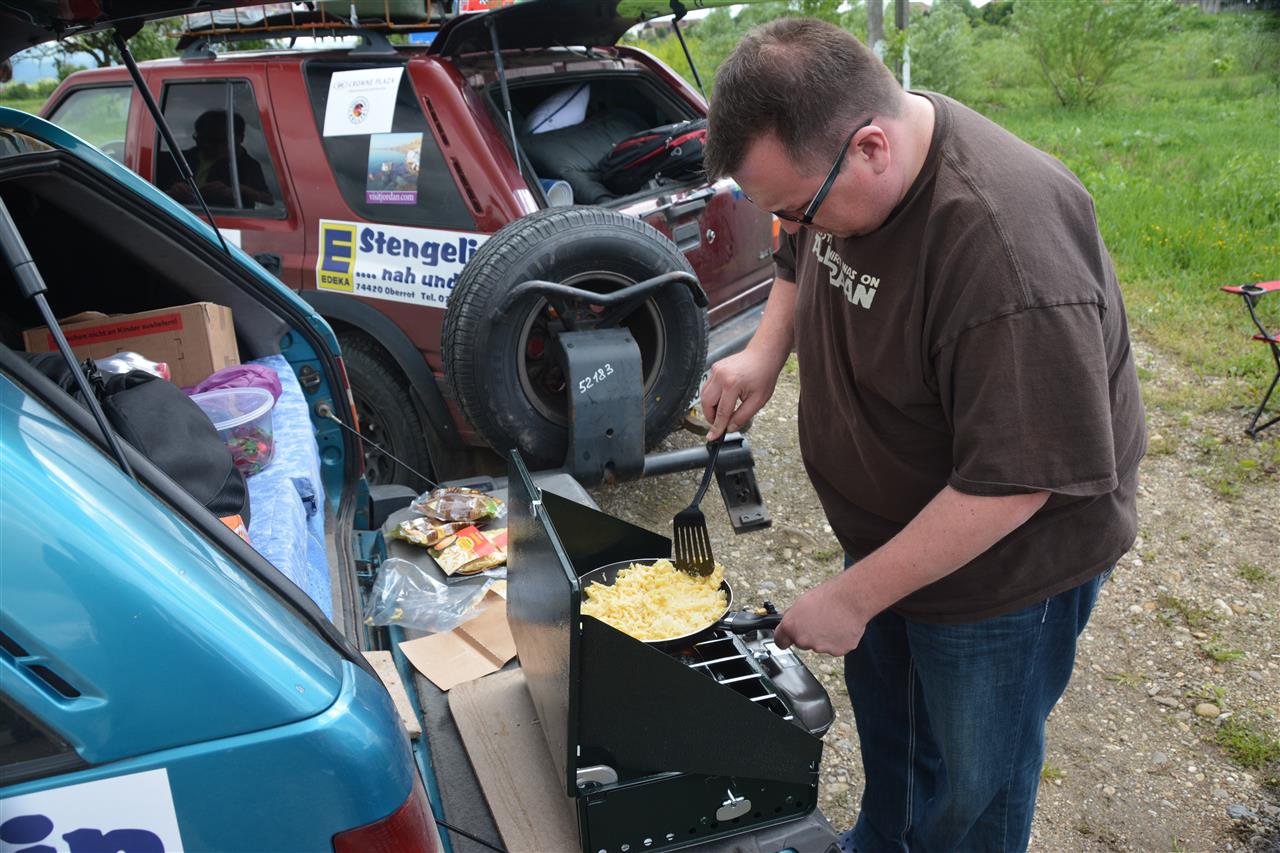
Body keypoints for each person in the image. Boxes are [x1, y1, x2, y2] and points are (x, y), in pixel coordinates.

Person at [700, 18, 1146, 853]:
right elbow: (800, 247)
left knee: (975, 785)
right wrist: (765, 349)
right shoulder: (851, 158)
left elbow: (1014, 483)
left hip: (1001, 573)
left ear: (871, 147)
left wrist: (853, 596)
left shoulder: (1008, 252)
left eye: (796, 207)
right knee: (896, 740)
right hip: (887, 531)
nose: (794, 226)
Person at [157, 109, 273, 209]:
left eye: (216, 140)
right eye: (201, 139)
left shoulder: (250, 167)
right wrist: (170, 194)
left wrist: (239, 191)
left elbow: (270, 203)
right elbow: (149, 193)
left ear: (240, 138)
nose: (206, 145)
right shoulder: (174, 159)